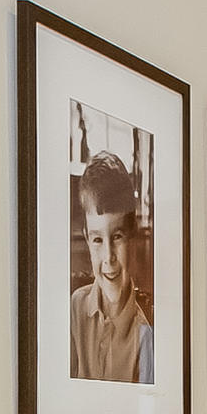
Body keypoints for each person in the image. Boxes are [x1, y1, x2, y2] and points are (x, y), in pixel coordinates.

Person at [69, 152, 152, 383]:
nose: (108, 256)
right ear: (87, 238)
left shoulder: (145, 335)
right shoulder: (75, 307)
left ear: (132, 236)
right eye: (97, 240)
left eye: (117, 237)